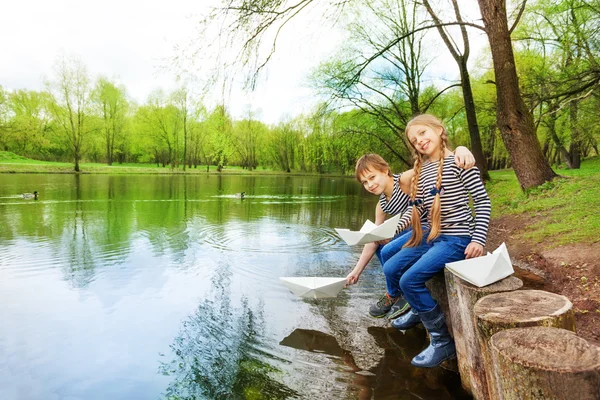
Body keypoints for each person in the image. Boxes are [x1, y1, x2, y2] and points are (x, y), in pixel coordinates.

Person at [384, 114, 491, 368]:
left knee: (410, 279)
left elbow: (483, 202)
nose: (419, 141)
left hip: (456, 239)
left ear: (438, 129)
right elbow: (418, 212)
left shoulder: (460, 160)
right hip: (432, 236)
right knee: (391, 267)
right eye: (413, 140)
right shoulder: (421, 171)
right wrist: (391, 231)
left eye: (422, 133)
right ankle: (418, 309)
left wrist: (478, 239)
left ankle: (442, 342)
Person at [345, 146, 476, 320]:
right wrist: (357, 271)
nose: (370, 184)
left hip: (430, 227)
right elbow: (373, 239)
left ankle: (403, 294)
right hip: (411, 230)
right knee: (379, 243)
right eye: (365, 182)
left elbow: (434, 163)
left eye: (372, 177)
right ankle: (395, 293)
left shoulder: (405, 179)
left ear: (385, 170)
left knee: (387, 249)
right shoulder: (382, 205)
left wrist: (460, 150)